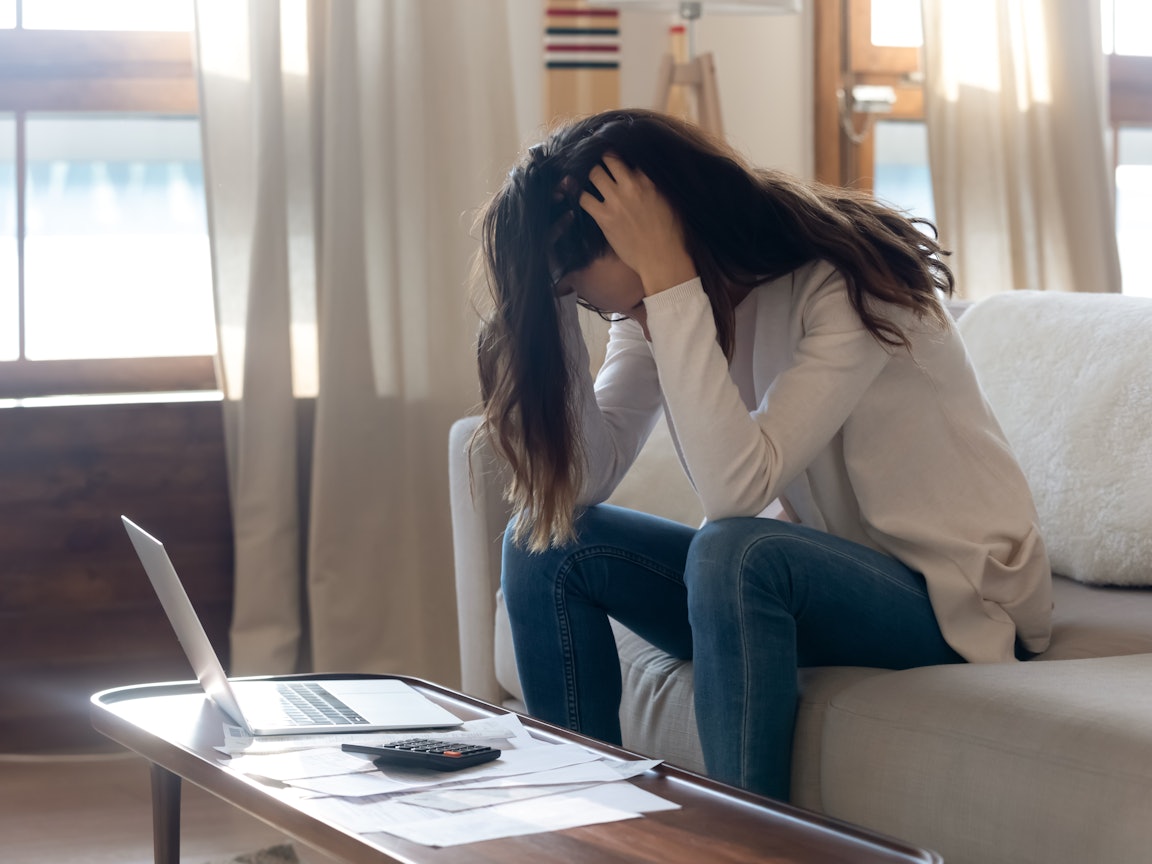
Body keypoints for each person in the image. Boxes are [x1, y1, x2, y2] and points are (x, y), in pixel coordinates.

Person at [470, 108, 1052, 801]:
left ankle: (744, 843)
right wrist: (552, 307)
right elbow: (588, 480)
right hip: (819, 580)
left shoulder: (845, 281)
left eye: (578, 285)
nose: (599, 306)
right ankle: (585, 826)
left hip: (952, 595)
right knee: (544, 545)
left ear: (659, 231)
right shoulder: (658, 309)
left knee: (735, 550)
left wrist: (670, 283)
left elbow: (733, 494)